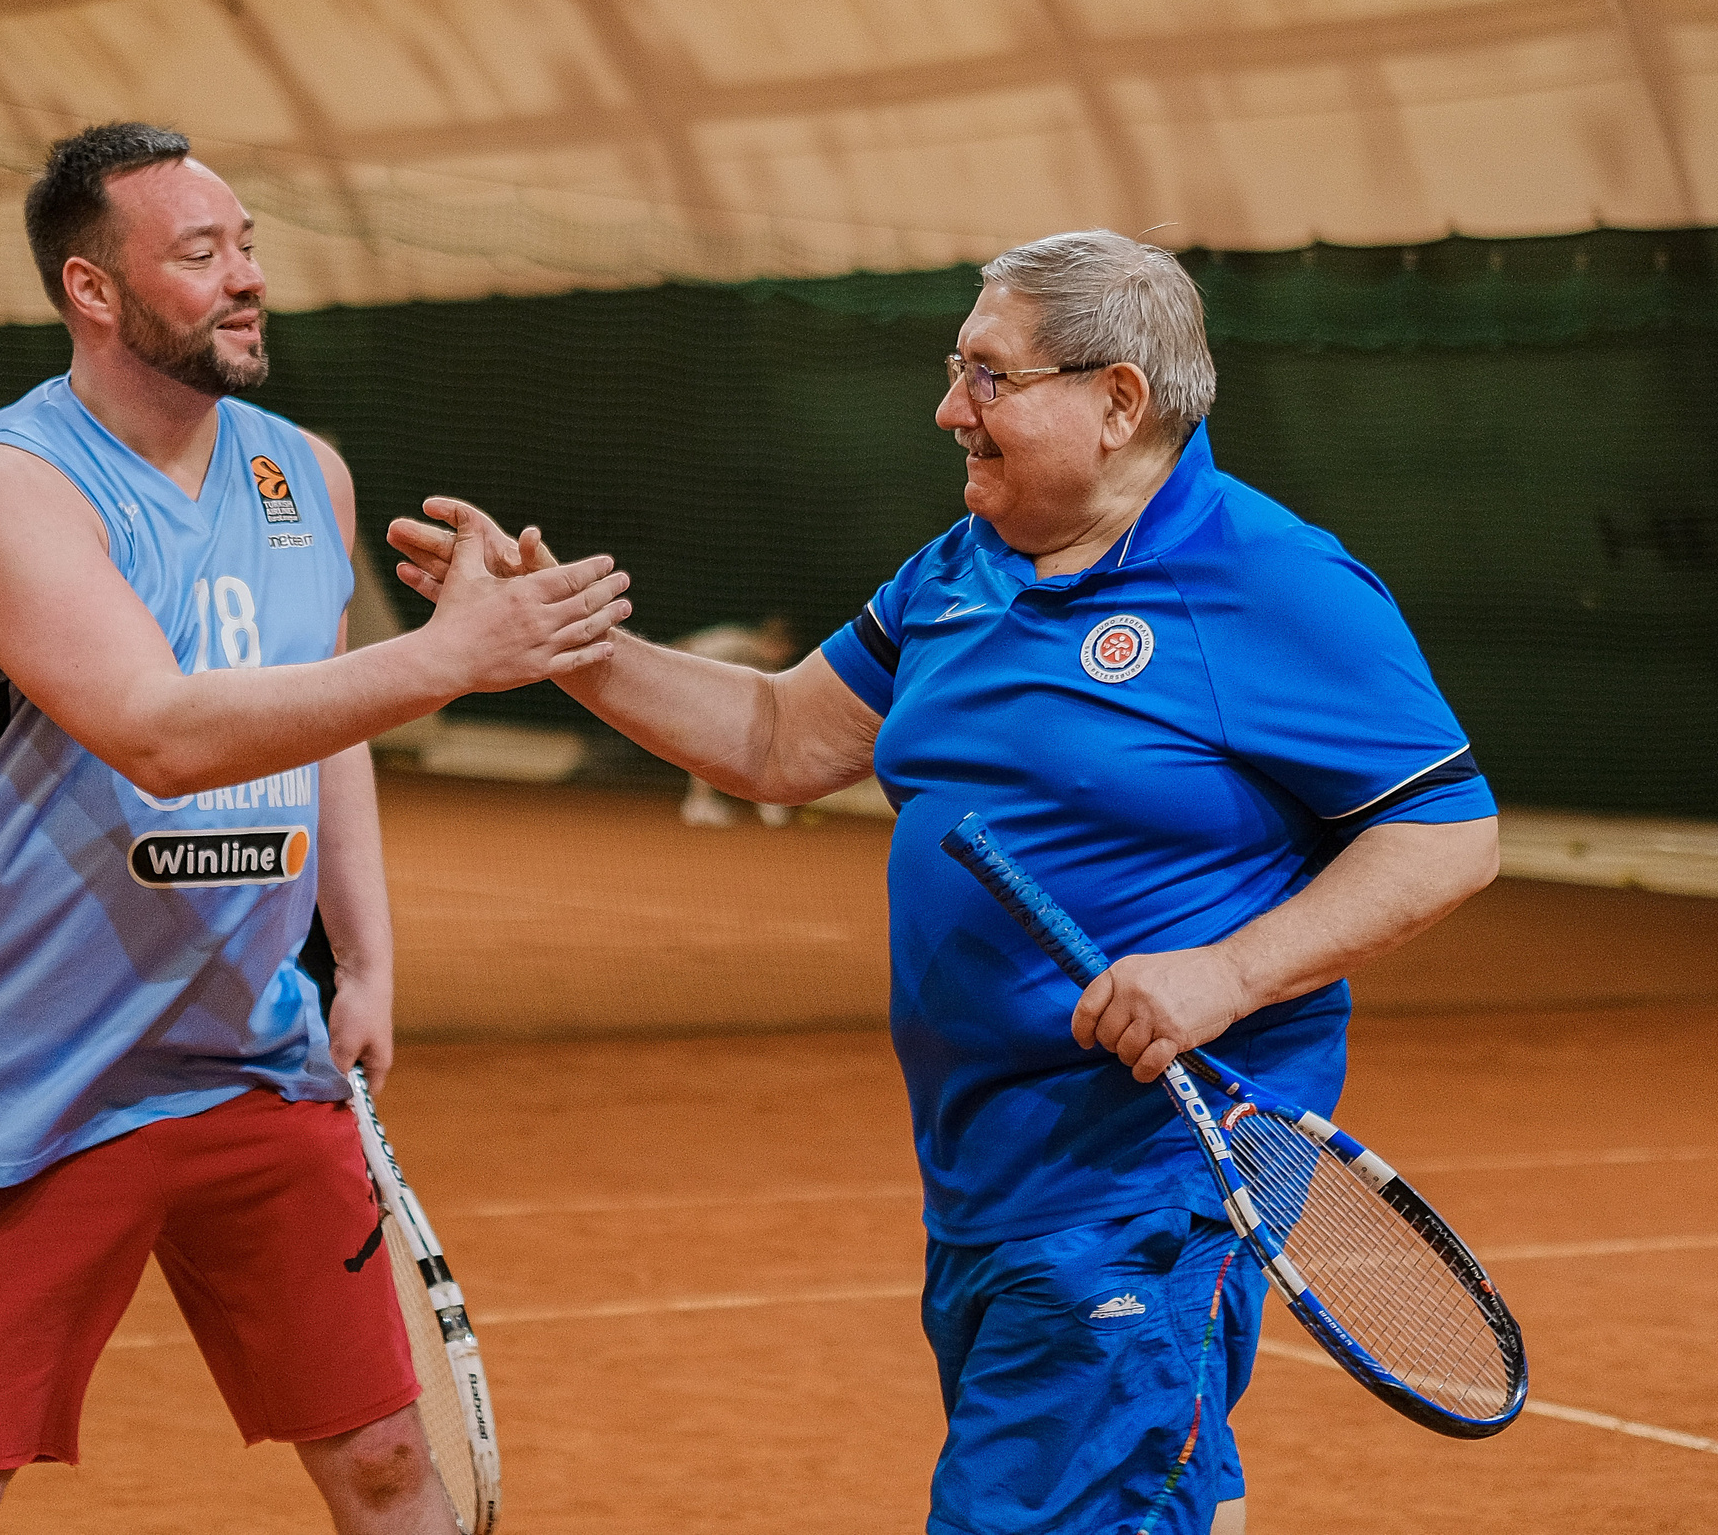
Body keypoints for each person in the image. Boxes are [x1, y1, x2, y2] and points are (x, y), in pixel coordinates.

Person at [390, 229, 1499, 1535]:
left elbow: (1446, 833)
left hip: (1147, 1172)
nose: (948, 409)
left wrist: (1225, 973)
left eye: (987, 376)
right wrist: (564, 645)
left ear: (1118, 399)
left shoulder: (1272, 581)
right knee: (1154, 1493)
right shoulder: (958, 570)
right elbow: (781, 736)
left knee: (1026, 1502)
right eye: (954, 368)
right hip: (986, 1158)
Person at [0, 123, 630, 1535]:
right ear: (93, 288)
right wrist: (451, 655)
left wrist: (364, 954)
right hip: (38, 1072)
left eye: (246, 243)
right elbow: (159, 729)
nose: (246, 277)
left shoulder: (304, 469)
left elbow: (326, 723)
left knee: (382, 1459)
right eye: (200, 254)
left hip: (258, 1056)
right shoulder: (9, 485)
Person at [669, 617, 798, 827]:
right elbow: (684, 647)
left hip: (697, 692)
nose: (784, 656)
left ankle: (764, 801)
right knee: (710, 742)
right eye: (784, 648)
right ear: (775, 643)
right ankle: (700, 804)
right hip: (680, 686)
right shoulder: (739, 643)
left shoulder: (760, 662)